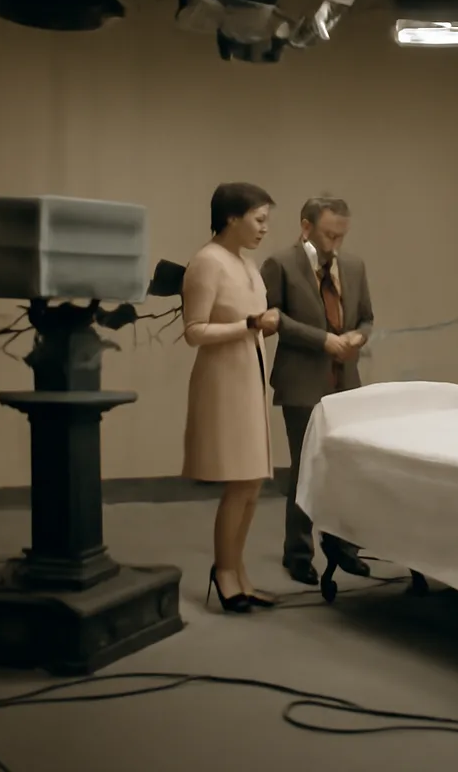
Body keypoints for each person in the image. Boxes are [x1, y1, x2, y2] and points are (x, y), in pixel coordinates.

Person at [260, 196, 374, 586]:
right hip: (302, 381)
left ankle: (343, 546)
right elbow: (272, 320)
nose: (335, 244)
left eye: (341, 236)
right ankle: (298, 552)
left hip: (346, 383)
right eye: (328, 234)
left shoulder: (355, 266)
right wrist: (321, 340)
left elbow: (367, 317)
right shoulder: (280, 264)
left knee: (346, 466)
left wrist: (359, 335)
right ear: (306, 227)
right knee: (306, 467)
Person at [182, 182, 280, 614]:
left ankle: (238, 570)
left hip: (249, 377)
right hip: (223, 382)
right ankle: (224, 572)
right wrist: (251, 324)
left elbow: (252, 321)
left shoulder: (247, 263)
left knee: (252, 484)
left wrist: (259, 324)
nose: (263, 229)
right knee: (238, 483)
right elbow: (194, 331)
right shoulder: (207, 262)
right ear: (231, 218)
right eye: (258, 220)